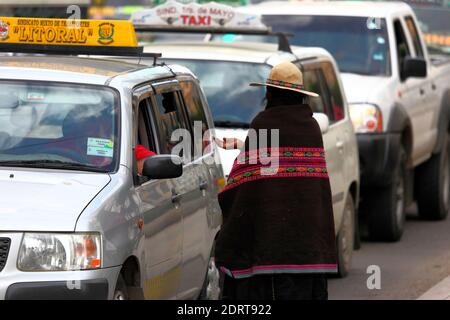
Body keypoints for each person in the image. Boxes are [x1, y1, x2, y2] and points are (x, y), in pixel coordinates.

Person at [214, 61, 337, 300]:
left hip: (269, 245)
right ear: (300, 96)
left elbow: (243, 183)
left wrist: (227, 196)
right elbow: (313, 189)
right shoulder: (311, 128)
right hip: (307, 244)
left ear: (269, 94)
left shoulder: (263, 124)